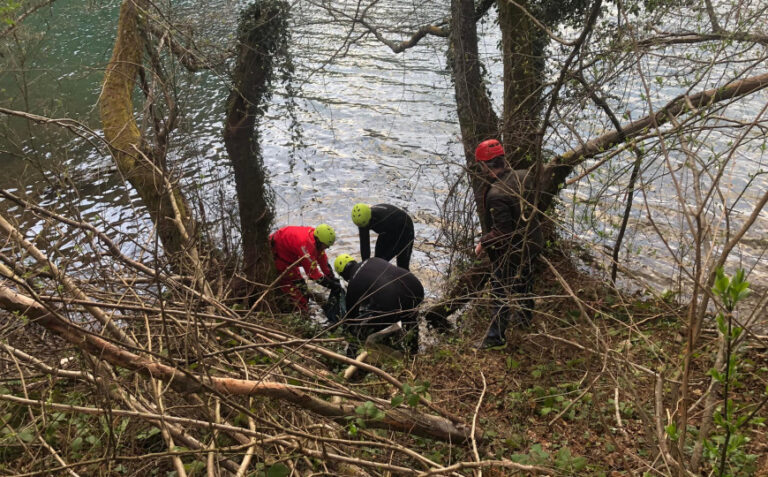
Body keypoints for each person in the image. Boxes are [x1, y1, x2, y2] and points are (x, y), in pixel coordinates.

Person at [473, 139, 543, 350]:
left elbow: (504, 231)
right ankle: (523, 320)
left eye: (481, 166)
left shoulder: (496, 195)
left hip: (513, 250)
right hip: (533, 241)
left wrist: (483, 243)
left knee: (499, 290)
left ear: (485, 166)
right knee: (525, 283)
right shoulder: (524, 176)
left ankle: (496, 338)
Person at [334, 253, 424, 352]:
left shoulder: (353, 284)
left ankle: (353, 356)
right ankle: (414, 351)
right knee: (410, 317)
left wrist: (348, 331)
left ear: (343, 274)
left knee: (362, 329)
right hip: (417, 288)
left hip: (393, 302)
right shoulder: (373, 259)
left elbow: (351, 318)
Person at [269, 224, 341, 312]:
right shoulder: (306, 246)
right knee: (299, 297)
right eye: (325, 246)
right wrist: (331, 285)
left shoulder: (315, 236)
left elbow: (322, 258)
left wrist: (331, 276)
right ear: (318, 241)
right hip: (280, 258)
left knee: (302, 288)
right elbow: (313, 275)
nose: (327, 248)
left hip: (288, 255)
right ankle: (301, 314)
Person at [351, 203, 414, 270]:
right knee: (378, 260)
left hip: (404, 228)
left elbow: (394, 245)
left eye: (366, 225)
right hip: (387, 231)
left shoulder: (383, 218)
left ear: (370, 218)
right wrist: (365, 265)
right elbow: (364, 244)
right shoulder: (362, 219)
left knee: (402, 265)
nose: (364, 228)